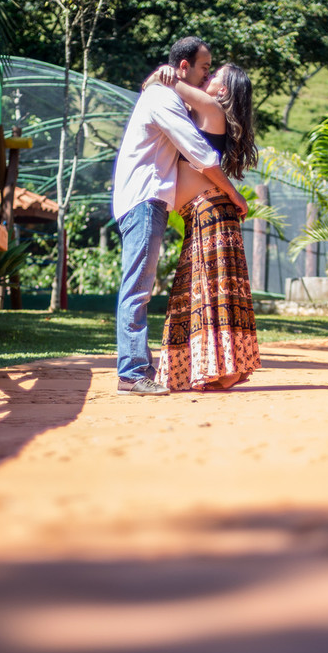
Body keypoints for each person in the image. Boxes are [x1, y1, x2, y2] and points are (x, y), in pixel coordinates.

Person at [112, 37, 248, 397]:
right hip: (144, 200)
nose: (207, 76)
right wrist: (233, 192)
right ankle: (132, 373)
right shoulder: (162, 98)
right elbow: (199, 151)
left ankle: (137, 370)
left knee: (141, 286)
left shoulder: (170, 94)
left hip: (150, 200)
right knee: (138, 289)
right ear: (184, 66)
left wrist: (164, 78)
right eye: (205, 67)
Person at [143, 61, 261, 392]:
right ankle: (221, 369)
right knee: (208, 292)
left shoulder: (210, 107)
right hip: (204, 213)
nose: (207, 78)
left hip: (210, 210)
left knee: (211, 292)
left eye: (214, 76)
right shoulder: (203, 114)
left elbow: (163, 85)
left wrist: (162, 77)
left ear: (222, 90)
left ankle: (223, 369)